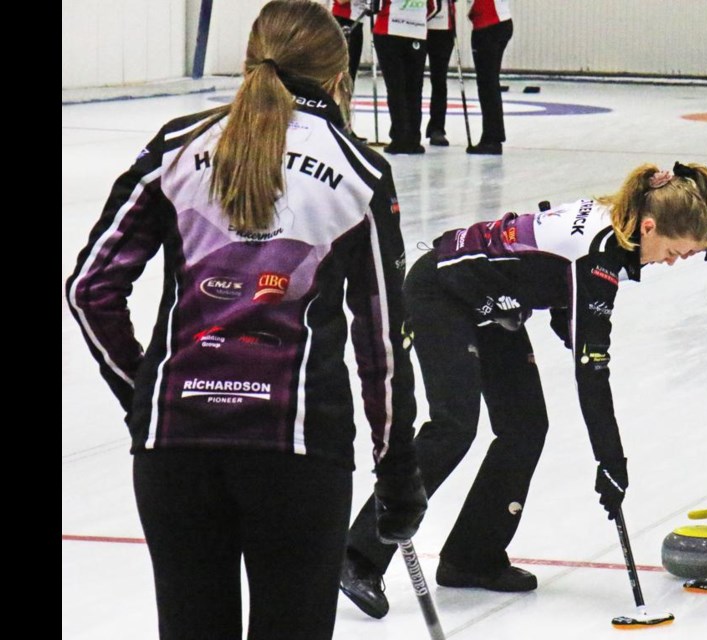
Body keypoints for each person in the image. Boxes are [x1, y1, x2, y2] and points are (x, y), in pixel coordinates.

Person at [64, 2, 426, 638]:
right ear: (341, 75)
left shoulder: (175, 149)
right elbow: (382, 342)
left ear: (247, 62)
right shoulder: (360, 172)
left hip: (176, 448)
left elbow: (91, 287)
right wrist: (397, 472)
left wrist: (145, 393)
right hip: (296, 453)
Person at [339, 163, 707, 618]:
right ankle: (358, 557)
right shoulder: (598, 257)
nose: (671, 262)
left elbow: (560, 296)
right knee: (453, 426)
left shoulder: (616, 236)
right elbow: (591, 372)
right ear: (649, 227)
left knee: (526, 425)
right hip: (442, 291)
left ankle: (471, 555)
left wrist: (579, 328)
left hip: (494, 303)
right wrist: (611, 461)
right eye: (674, 252)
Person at [373, 0, 430, 154]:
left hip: (390, 27)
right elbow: (434, 7)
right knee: (414, 87)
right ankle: (413, 139)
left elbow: (375, 5)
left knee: (395, 87)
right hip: (417, 30)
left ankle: (400, 138)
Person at [466, 0, 512, 154]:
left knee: (487, 84)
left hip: (489, 23)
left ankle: (492, 138)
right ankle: (493, 136)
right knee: (489, 83)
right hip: (497, 21)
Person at [425, 0, 455, 146]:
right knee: (412, 80)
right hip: (415, 24)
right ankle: (408, 129)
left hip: (443, 26)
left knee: (439, 80)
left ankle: (437, 128)